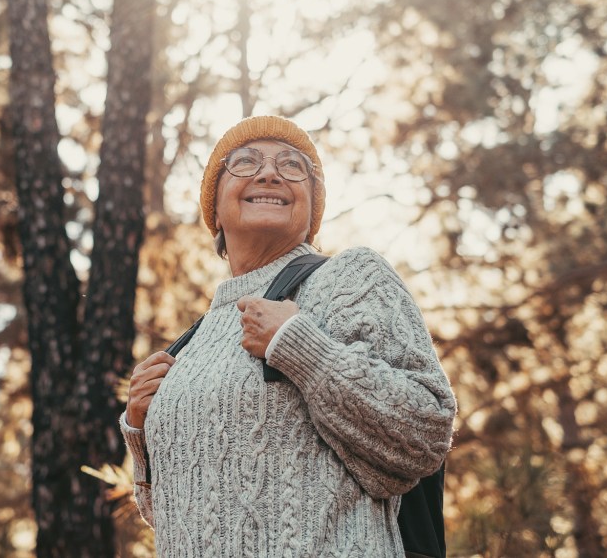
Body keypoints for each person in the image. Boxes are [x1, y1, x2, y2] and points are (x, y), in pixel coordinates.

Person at [121, 115, 456, 556]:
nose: (269, 173)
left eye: (293, 166)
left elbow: (424, 433)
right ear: (215, 209)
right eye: (244, 162)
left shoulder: (350, 277)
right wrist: (140, 432)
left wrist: (300, 347)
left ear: (311, 209)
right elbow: (173, 518)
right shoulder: (190, 346)